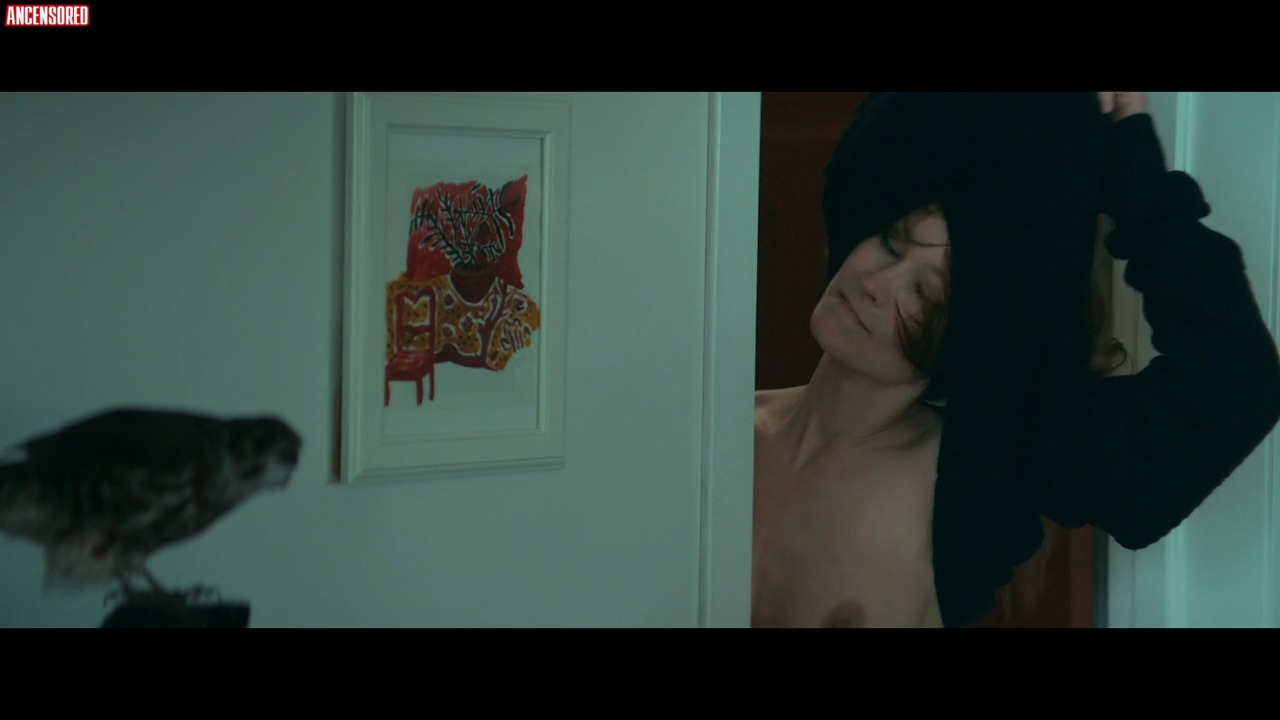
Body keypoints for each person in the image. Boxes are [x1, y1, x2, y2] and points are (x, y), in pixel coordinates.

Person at [751, 92, 1280, 628]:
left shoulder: (975, 480)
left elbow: (1237, 384)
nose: (874, 282)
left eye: (923, 292)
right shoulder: (721, 428)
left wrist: (1136, 175)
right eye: (890, 243)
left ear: (968, 337)